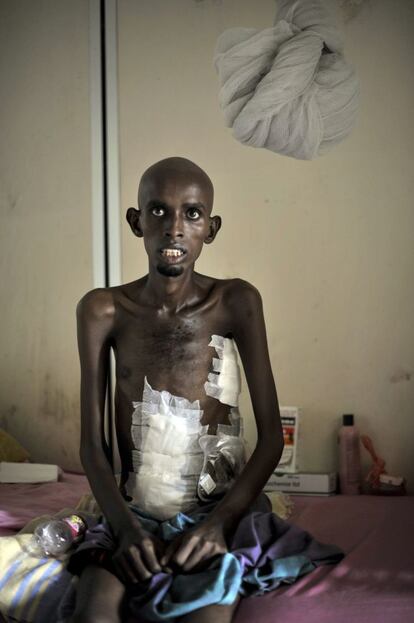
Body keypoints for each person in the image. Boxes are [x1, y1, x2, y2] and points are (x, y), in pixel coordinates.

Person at [62, 157, 343, 623]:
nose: (174, 228)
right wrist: (127, 529)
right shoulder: (103, 310)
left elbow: (272, 438)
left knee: (206, 612)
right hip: (132, 511)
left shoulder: (235, 302)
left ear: (210, 228)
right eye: (158, 211)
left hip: (219, 511)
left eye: (191, 214)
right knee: (94, 610)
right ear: (135, 222)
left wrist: (218, 525)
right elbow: (93, 446)